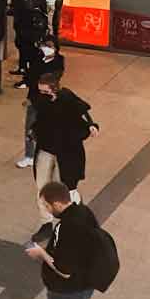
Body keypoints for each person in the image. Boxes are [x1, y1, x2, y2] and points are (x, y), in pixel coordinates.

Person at [31, 64, 97, 218]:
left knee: (64, 187)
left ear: (54, 89)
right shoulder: (42, 101)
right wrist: (33, 131)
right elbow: (39, 120)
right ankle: (46, 220)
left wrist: (91, 125)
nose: (42, 94)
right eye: (40, 91)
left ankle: (66, 216)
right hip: (46, 148)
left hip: (65, 150)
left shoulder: (66, 97)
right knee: (42, 186)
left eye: (45, 92)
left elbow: (82, 112)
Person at [8, 0, 48, 86]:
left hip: (26, 24)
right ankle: (24, 69)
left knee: (26, 48)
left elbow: (16, 4)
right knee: (28, 48)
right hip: (35, 22)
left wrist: (11, 9)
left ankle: (27, 77)